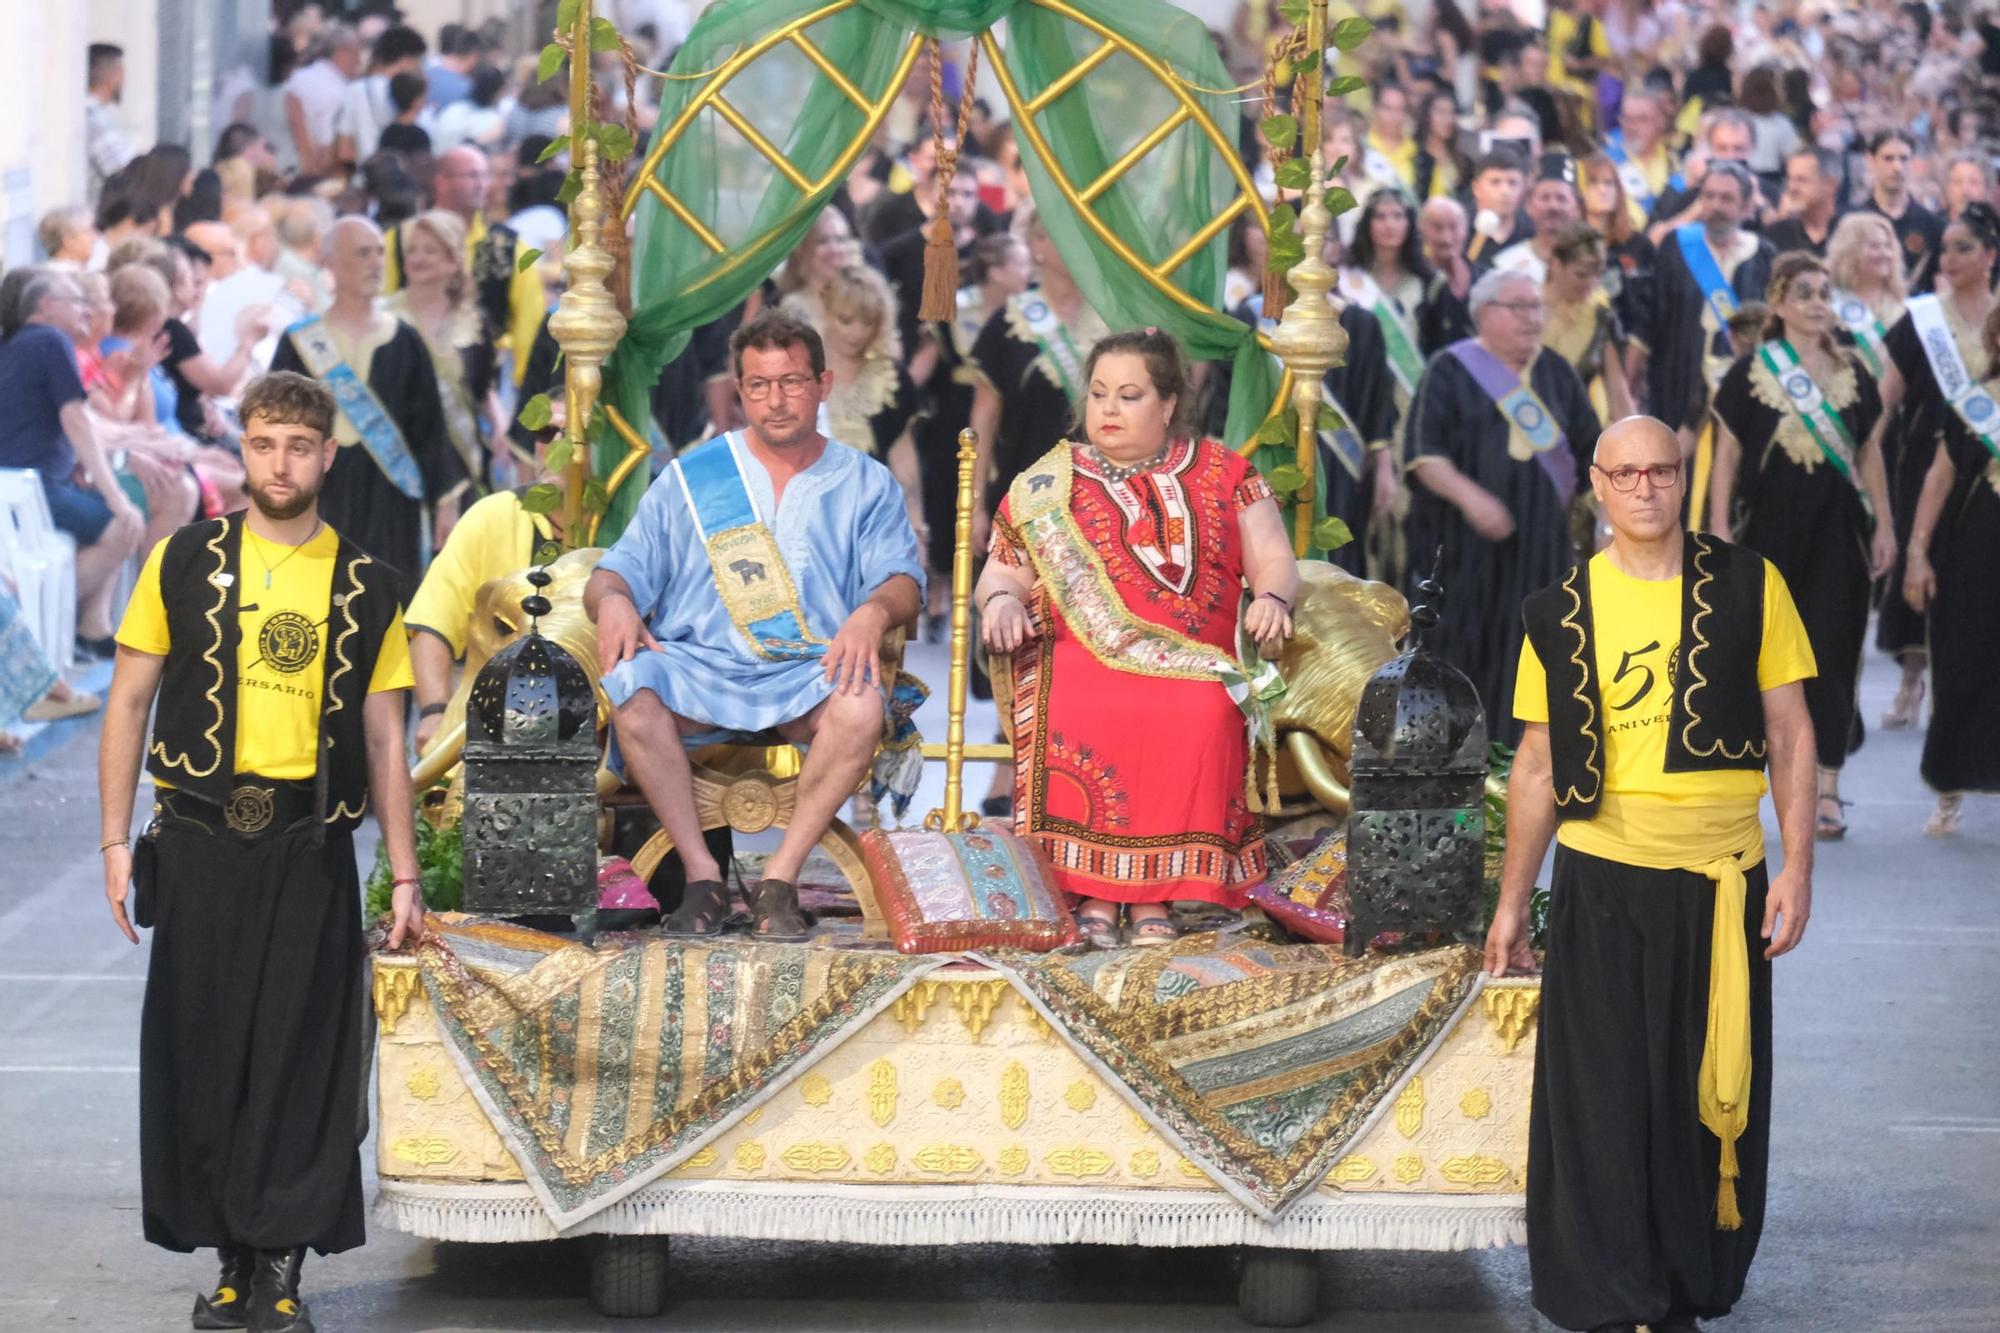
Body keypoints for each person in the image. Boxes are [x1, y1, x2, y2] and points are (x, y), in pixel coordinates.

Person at [98, 371, 423, 1333]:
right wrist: (115, 840)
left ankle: (277, 1263)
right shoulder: (179, 560)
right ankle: (231, 1255)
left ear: (329, 455)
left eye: (299, 445)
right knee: (203, 1050)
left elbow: (383, 741)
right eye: (263, 443)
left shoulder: (370, 584)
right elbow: (126, 701)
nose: (280, 462)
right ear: (241, 450)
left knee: (298, 1052)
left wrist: (403, 871)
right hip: (195, 841)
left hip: (308, 844)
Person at [1489, 413, 1818, 1333]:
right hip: (1600, 877)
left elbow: (1790, 733)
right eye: (1625, 473)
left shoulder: (1751, 585)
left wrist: (1797, 866)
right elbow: (1539, 764)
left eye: (1661, 472)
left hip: (1721, 882)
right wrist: (1514, 900)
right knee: (1599, 1092)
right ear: (1596, 483)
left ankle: (1681, 1283)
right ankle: (1610, 1294)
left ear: (1683, 478)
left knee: (1701, 1089)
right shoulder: (1557, 610)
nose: (1645, 489)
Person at [584, 308, 925, 940]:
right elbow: (615, 571)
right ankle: (701, 875)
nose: (776, 400)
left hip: (807, 670)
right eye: (760, 385)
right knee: (632, 684)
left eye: (792, 381)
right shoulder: (692, 478)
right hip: (700, 669)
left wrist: (872, 612)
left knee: (860, 707)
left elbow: (904, 581)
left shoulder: (865, 483)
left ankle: (780, 880)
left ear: (823, 385)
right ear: (739, 392)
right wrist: (614, 603)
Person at [974, 328, 1297, 947]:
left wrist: (1276, 599)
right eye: (1098, 395)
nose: (1109, 410)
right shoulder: (1046, 485)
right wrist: (1001, 604)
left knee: (1205, 709)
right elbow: (1002, 574)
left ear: (1169, 404)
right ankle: (1094, 890)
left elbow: (1274, 561)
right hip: (1075, 658)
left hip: (1198, 662)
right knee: (1081, 703)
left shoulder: (1229, 473)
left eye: (1128, 395)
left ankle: (1159, 898)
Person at [1710, 254, 1895, 840]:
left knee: (1834, 652)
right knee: (1757, 660)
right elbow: (1727, 454)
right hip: (1766, 536)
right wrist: (1716, 524)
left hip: (1839, 535)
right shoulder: (1750, 373)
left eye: (1825, 293)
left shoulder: (1855, 374)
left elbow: (1870, 455)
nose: (1818, 302)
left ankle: (1829, 786)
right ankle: (1747, 786)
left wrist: (1886, 525)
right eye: (1805, 293)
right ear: (1780, 303)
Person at [1404, 267, 1600, 744]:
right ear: (1484, 313)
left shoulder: (1555, 371)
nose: (1533, 318)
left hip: (1542, 546)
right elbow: (1425, 456)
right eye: (1519, 307)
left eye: (1537, 307)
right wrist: (1472, 499)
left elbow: (1594, 450)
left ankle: (1525, 759)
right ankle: (1455, 759)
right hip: (1465, 547)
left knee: (1536, 653)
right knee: (1464, 654)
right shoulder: (1449, 369)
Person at [270, 217, 467, 605]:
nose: (376, 263)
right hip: (319, 492)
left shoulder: (405, 340)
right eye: (362, 254)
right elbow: (274, 421)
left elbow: (428, 427)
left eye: (379, 252)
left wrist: (446, 501)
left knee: (385, 605)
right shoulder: (300, 341)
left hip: (391, 498)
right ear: (332, 263)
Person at [1866, 203, 2000, 735]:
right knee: (1924, 566)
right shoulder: (1921, 318)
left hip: (1988, 469)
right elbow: (1884, 399)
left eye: (1963, 247)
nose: (1949, 258)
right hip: (1926, 461)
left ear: (1990, 254)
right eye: (1944, 248)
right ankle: (1912, 679)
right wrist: (1862, 460)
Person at [0, 268, 145, 656]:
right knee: (124, 523)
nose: (86, 310)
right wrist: (117, 498)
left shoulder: (17, 344)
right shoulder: (50, 340)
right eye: (76, 301)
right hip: (32, 490)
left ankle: (86, 626)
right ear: (47, 307)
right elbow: (76, 420)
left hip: (25, 488)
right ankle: (37, 621)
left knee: (113, 511)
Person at [1901, 304, 2000, 838]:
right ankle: (1949, 792)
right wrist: (1917, 551)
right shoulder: (1972, 403)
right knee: (1962, 669)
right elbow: (1938, 480)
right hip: (1974, 552)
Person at [913, 231, 1032, 627]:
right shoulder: (957, 307)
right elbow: (928, 361)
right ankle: (941, 587)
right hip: (956, 409)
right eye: (1019, 262)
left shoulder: (1029, 313)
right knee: (948, 497)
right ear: (997, 271)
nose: (1027, 270)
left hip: (1009, 412)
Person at [1648, 163, 1775, 460]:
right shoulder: (1676, 245)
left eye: (1727, 199)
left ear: (1746, 207)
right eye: (1709, 196)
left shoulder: (1764, 255)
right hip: (1679, 378)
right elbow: (1657, 316)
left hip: (1739, 387)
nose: (1715, 206)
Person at [383, 209, 499, 485]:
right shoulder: (383, 318)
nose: (417, 258)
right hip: (397, 458)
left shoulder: (474, 321)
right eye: (412, 250)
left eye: (430, 251)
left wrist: (500, 433)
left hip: (459, 460)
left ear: (452, 261)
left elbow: (481, 391)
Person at [809, 264, 924, 530]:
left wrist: (916, 526)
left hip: (873, 523)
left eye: (868, 322)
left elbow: (904, 458)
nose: (856, 333)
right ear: (825, 311)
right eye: (845, 320)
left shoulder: (891, 378)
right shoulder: (798, 372)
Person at [1342, 188, 1431, 416]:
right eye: (1380, 217)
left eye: (1398, 216)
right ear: (1367, 224)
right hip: (1361, 383)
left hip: (1410, 388)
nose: (1390, 225)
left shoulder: (1425, 281)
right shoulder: (1347, 278)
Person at [1541, 224, 1636, 425]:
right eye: (1581, 274)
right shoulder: (1524, 309)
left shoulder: (1600, 316)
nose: (1591, 284)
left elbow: (1618, 393)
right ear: (1556, 265)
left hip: (1579, 430)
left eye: (1598, 274)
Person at [332, 24, 427, 169]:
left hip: (366, 180)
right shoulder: (414, 95)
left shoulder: (354, 91)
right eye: (418, 63)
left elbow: (345, 152)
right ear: (406, 60)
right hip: (404, 183)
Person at [1859, 129, 1946, 281]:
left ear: (1913, 163)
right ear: (1870, 161)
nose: (1897, 167)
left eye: (1904, 158)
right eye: (1888, 158)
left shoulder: (1933, 225)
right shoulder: (1852, 222)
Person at [1493, 153, 1586, 284]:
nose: (1553, 206)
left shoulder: (1591, 261)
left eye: (1561, 198)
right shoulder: (1507, 264)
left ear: (1577, 209)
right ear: (1528, 206)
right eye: (1545, 198)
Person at [284, 24, 361, 176]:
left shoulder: (298, 78)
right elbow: (328, 146)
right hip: (320, 174)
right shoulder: (340, 92)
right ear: (343, 53)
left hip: (288, 167)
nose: (358, 63)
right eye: (356, 55)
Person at [1763, 147, 1846, 258]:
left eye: (1802, 180)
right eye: (1790, 179)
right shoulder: (1775, 235)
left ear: (1830, 184)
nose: (1792, 188)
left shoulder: (1853, 233)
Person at [85, 43, 138, 203]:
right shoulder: (96, 119)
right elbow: (123, 174)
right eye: (122, 72)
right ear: (113, 76)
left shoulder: (95, 114)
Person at [1462, 147, 1529, 265]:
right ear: (1476, 188)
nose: (1505, 191)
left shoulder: (1530, 231)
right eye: (1495, 182)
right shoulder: (1459, 230)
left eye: (1512, 183)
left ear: (1523, 188)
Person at [1413, 89, 1469, 202]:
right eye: (1441, 113)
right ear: (1427, 116)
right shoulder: (1414, 155)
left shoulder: (1462, 160)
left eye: (1452, 113)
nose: (1448, 119)